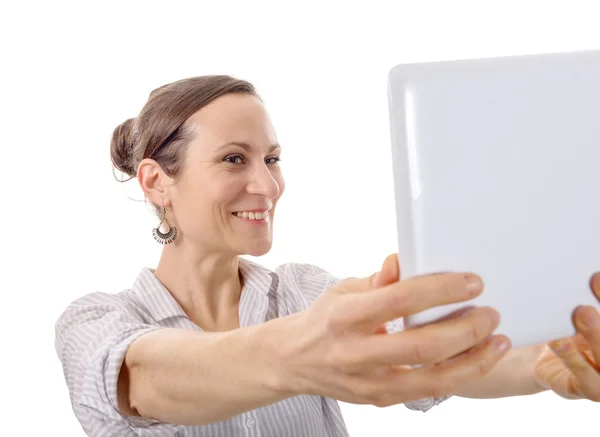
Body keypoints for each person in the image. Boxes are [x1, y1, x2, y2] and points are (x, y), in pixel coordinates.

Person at [54, 75, 600, 437]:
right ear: (156, 182)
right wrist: (297, 357)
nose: (266, 185)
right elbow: (147, 379)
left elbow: (424, 358)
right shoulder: (95, 322)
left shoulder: (303, 292)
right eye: (233, 159)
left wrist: (547, 365)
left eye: (272, 158)